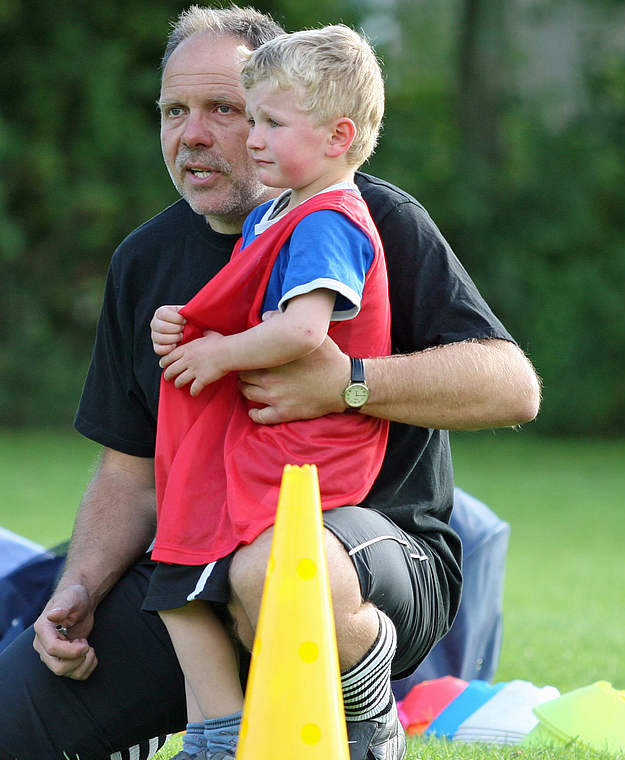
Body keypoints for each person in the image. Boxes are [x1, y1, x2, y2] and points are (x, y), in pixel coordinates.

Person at [0, 6, 540, 760]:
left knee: (274, 569)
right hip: (202, 568)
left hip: (373, 553)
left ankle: (365, 703)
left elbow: (512, 387)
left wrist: (348, 382)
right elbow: (131, 469)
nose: (194, 134)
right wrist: (80, 589)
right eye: (173, 111)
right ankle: (198, 728)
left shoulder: (372, 219)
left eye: (226, 109)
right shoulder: (144, 261)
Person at [146, 25, 392, 760]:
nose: (251, 139)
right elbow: (243, 303)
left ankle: (246, 731)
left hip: (307, 451)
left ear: (337, 136)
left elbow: (301, 333)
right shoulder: (278, 211)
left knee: (196, 569)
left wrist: (218, 353)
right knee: (179, 573)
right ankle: (216, 734)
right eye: (250, 118)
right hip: (268, 442)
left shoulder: (329, 220)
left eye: (270, 123)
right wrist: (184, 323)